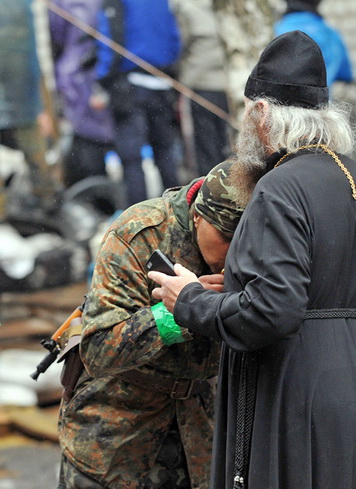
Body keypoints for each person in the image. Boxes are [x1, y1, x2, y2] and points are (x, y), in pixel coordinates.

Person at [150, 31, 356, 489]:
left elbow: (272, 312)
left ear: (263, 113)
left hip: (296, 393)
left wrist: (188, 298)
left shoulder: (279, 187)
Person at [57, 159, 265, 489]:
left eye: (243, 240)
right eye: (225, 236)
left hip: (198, 435)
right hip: (115, 435)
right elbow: (98, 349)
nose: (233, 253)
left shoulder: (264, 243)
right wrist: (181, 311)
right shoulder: (140, 232)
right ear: (198, 215)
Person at [92, 0, 182, 207]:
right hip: (161, 83)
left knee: (132, 157)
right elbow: (174, 39)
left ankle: (137, 218)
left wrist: (103, 80)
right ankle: (178, 211)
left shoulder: (114, 3)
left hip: (129, 88)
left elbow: (108, 42)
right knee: (165, 151)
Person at [0, 0, 61, 211]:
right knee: (36, 154)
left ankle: (46, 202)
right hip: (25, 89)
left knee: (37, 155)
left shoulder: (31, 4)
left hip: (26, 89)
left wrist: (44, 106)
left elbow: (41, 49)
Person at [49, 0, 115, 188]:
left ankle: (95, 195)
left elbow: (56, 33)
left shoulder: (66, 4)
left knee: (88, 138)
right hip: (102, 75)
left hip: (81, 76)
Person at [169, 0, 233, 177]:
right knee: (224, 146)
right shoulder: (228, 8)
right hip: (227, 85)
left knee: (202, 151)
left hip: (198, 86)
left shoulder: (187, 7)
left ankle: (207, 195)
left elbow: (179, 44)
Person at [274, 0, 354, 88]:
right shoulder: (332, 35)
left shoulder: (275, 30)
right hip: (321, 99)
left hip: (278, 99)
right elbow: (346, 74)